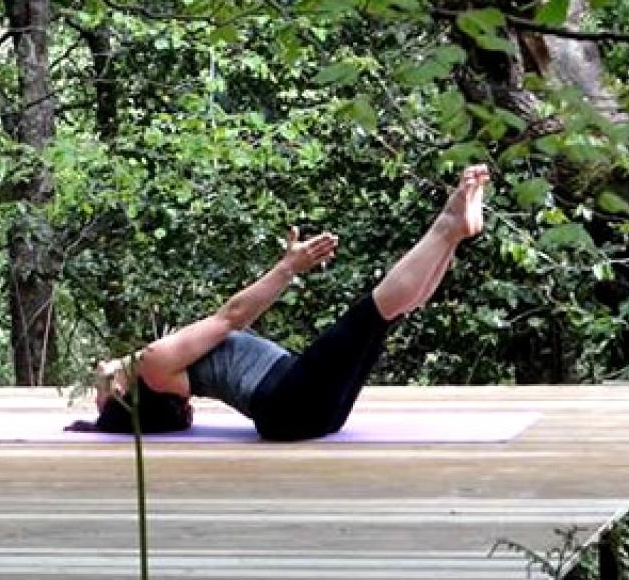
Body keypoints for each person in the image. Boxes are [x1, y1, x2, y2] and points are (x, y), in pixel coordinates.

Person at [85, 165, 490, 442]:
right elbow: (231, 317)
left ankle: (452, 234)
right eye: (102, 400)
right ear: (124, 393)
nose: (95, 387)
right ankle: (446, 226)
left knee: (383, 316)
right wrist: (289, 267)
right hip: (287, 400)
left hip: (303, 410)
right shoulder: (155, 362)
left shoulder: (163, 374)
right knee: (372, 311)